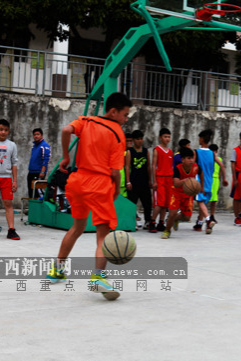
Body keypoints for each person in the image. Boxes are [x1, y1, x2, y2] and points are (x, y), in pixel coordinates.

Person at [46, 93, 132, 299]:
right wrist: (117, 188)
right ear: (114, 112)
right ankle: (98, 278)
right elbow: (114, 171)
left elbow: (66, 130)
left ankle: (57, 269)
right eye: (125, 115)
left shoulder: (86, 120)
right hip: (99, 185)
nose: (126, 119)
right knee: (104, 234)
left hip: (77, 182)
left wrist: (66, 157)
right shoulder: (117, 133)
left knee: (77, 227)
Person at [161, 147, 203, 239]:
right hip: (176, 192)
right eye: (188, 158)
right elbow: (176, 184)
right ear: (182, 159)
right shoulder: (177, 169)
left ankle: (175, 219)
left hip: (187, 194)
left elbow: (201, 173)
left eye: (192, 158)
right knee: (172, 213)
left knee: (187, 218)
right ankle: (167, 230)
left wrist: (202, 187)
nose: (191, 160)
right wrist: (187, 180)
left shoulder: (196, 167)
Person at [193, 129, 228, 234]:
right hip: (209, 181)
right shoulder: (212, 154)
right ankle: (199, 223)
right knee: (202, 202)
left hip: (199, 181)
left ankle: (208, 220)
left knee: (200, 201)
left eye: (199, 138)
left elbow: (192, 165)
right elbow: (221, 165)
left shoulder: (196, 152)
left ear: (202, 139)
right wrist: (225, 178)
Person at [125, 129, 153, 229]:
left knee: (147, 203)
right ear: (133, 140)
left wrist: (150, 180)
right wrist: (128, 181)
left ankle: (147, 221)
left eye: (141, 139)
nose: (140, 141)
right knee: (132, 203)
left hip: (144, 181)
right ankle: (133, 222)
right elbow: (127, 167)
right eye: (137, 139)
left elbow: (149, 166)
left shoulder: (146, 151)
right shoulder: (130, 152)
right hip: (134, 181)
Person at [149, 128, 173, 233]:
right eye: (165, 136)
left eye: (168, 137)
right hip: (160, 179)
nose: (167, 139)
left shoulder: (170, 152)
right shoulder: (157, 150)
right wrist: (154, 181)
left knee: (166, 203)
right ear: (160, 137)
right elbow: (153, 165)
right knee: (159, 203)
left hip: (169, 179)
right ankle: (152, 222)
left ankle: (161, 222)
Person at [27, 128, 51, 199]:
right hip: (31, 172)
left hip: (38, 173)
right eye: (34, 135)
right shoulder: (34, 146)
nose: (36, 136)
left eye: (38, 134)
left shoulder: (44, 145)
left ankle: (40, 208)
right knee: (31, 192)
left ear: (41, 135)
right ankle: (32, 208)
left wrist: (42, 171)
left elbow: (46, 159)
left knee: (38, 192)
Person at [208, 143, 224, 224]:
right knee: (205, 199)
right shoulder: (207, 159)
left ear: (217, 152)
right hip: (208, 179)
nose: (213, 152)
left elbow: (221, 169)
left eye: (215, 151)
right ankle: (204, 216)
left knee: (214, 199)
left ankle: (212, 215)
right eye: (212, 151)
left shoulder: (219, 159)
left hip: (215, 180)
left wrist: (219, 177)